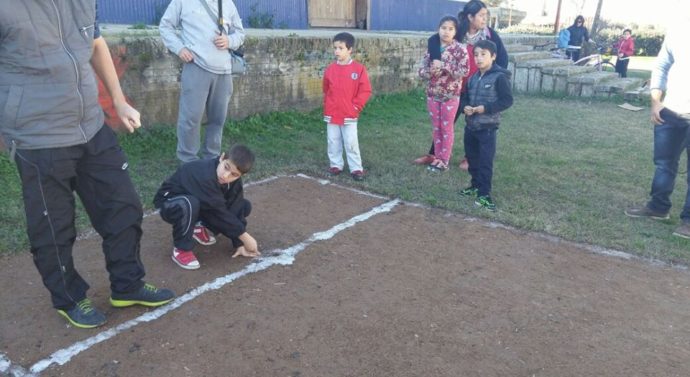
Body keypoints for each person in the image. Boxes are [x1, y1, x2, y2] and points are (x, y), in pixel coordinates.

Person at [0, 1, 175, 329]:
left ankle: (127, 285)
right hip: (38, 135)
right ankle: (68, 297)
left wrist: (119, 101)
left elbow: (94, 43)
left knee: (123, 207)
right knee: (53, 227)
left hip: (91, 126)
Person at [415, 0, 509, 170]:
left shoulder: (489, 35)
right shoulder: (457, 32)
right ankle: (434, 154)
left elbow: (502, 57)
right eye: (481, 15)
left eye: (485, 15)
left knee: (474, 123)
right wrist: (436, 60)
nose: (484, 19)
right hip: (454, 87)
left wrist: (495, 78)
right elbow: (434, 40)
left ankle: (469, 158)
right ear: (470, 17)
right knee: (443, 123)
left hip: (477, 87)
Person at [159, 0, 245, 164]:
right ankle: (188, 161)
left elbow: (240, 34)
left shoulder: (227, 3)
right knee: (190, 119)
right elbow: (165, 26)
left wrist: (229, 41)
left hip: (224, 72)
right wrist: (179, 48)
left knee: (218, 119)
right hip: (196, 67)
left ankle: (212, 159)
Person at [624, 26, 690, 239]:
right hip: (670, 110)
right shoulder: (679, 31)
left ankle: (688, 220)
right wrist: (655, 102)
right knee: (664, 163)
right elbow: (662, 66)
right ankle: (658, 207)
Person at [154, 144, 261, 270]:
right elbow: (218, 212)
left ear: (240, 175)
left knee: (244, 206)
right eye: (226, 167)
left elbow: (235, 207)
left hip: (201, 202)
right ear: (221, 157)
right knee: (190, 203)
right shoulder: (204, 175)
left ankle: (197, 226)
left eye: (234, 174)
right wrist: (244, 236)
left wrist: (239, 243)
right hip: (171, 203)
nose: (226, 176)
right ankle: (181, 249)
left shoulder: (233, 181)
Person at [459, 40, 514, 211]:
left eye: (483, 54)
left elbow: (507, 100)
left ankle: (484, 195)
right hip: (471, 126)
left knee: (485, 162)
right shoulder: (473, 78)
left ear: (493, 56)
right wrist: (465, 107)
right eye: (476, 54)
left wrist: (486, 108)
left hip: (487, 128)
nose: (479, 58)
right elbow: (465, 97)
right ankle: (475, 185)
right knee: (472, 158)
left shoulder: (499, 77)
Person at [418, 16, 470, 172]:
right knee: (436, 127)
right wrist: (429, 72)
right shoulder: (433, 47)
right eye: (443, 28)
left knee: (446, 128)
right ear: (438, 29)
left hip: (450, 96)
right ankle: (436, 157)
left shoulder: (460, 49)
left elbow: (465, 71)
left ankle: (444, 160)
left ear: (455, 31)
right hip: (433, 94)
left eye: (450, 29)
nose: (446, 32)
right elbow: (421, 70)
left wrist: (445, 66)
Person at [323, 32, 373, 181]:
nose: (337, 51)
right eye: (335, 48)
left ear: (350, 49)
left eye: (340, 48)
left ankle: (356, 168)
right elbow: (326, 89)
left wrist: (355, 107)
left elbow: (365, 90)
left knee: (351, 141)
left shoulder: (359, 69)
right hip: (332, 113)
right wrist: (328, 104)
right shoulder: (330, 69)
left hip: (349, 113)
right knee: (333, 140)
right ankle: (336, 165)